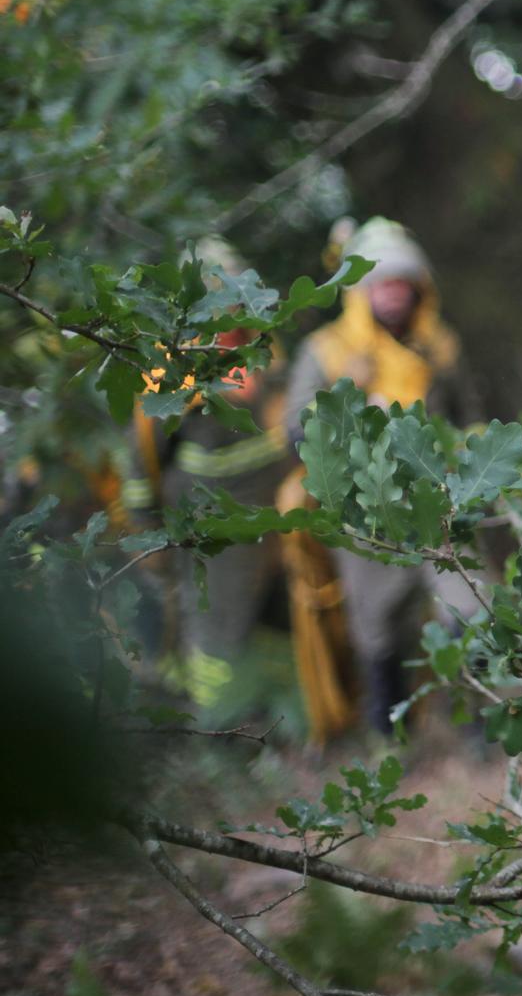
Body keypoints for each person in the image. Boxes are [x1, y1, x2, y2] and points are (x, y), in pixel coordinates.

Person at [284, 216, 479, 736]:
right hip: (365, 513)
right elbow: (294, 432)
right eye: (380, 283)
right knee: (377, 629)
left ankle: (481, 727)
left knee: (469, 609)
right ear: (361, 292)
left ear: (419, 288)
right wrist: (347, 402)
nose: (392, 294)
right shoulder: (326, 353)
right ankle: (389, 736)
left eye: (401, 282)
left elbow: (469, 421)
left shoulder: (441, 347)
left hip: (438, 505)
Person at [124, 237, 292, 698]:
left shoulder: (263, 343)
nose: (227, 306)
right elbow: (144, 454)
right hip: (210, 523)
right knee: (216, 627)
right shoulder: (173, 366)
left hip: (274, 514)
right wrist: (146, 525)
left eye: (234, 294)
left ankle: (268, 711)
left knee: (273, 619)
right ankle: (216, 726)